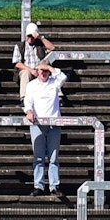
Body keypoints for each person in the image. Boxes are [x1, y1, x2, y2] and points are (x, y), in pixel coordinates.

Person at [22, 63, 67, 197]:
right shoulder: (31, 85)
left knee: (53, 158)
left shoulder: (54, 83)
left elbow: (63, 77)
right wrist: (29, 111)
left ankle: (54, 185)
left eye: (46, 71)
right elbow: (28, 101)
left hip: (54, 124)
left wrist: (50, 68)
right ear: (37, 71)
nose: (44, 73)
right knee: (38, 156)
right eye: (42, 70)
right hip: (37, 124)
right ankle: (39, 185)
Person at [12, 22, 56, 94]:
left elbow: (52, 48)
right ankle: (24, 97)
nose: (30, 38)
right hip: (27, 70)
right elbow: (17, 63)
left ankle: (58, 95)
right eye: (29, 36)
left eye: (32, 36)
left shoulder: (40, 45)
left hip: (40, 70)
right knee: (26, 73)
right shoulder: (19, 46)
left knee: (48, 71)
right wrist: (31, 70)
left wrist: (41, 38)